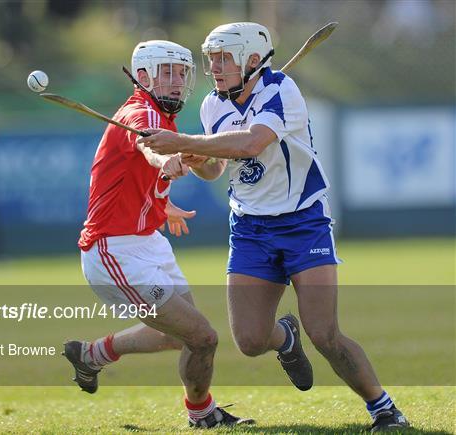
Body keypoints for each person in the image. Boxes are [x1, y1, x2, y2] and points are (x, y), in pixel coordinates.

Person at [137, 23, 410, 433]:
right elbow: (217, 168)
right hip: (249, 228)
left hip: (303, 222)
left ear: (251, 59)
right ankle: (284, 336)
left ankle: (384, 408)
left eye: (223, 58)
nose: (214, 68)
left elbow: (250, 143)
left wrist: (182, 142)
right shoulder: (213, 104)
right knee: (248, 342)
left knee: (325, 334)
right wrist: (195, 158)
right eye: (211, 60)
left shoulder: (282, 91)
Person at [64, 40, 253, 428]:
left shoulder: (166, 121)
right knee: (202, 337)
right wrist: (164, 158)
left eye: (182, 73)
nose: (178, 81)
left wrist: (161, 204)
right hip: (114, 250)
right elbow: (145, 147)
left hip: (148, 242)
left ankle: (92, 355)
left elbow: (141, 175)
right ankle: (202, 414)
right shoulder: (138, 112)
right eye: (168, 72)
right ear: (144, 75)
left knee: (179, 335)